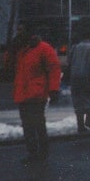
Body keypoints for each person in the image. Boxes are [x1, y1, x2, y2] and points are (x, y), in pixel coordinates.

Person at [10, 24, 62, 164]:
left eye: (21, 30)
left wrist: (54, 89)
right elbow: (10, 67)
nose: (18, 33)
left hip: (37, 94)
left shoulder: (44, 48)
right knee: (27, 126)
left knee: (37, 124)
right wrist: (11, 50)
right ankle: (33, 153)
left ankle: (42, 153)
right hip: (23, 94)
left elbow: (54, 69)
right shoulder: (21, 50)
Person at [67, 29, 90, 133]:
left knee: (78, 101)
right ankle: (89, 121)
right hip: (88, 78)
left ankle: (80, 125)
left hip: (75, 78)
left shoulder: (74, 48)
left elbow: (69, 62)